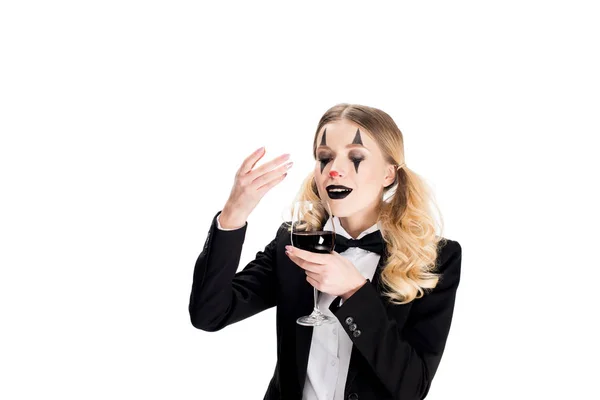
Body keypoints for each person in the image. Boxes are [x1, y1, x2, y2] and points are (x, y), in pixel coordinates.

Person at [189, 103, 462, 400]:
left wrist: (355, 291)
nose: (334, 169)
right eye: (324, 157)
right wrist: (232, 215)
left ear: (388, 174)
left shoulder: (435, 258)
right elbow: (209, 315)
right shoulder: (292, 242)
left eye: (355, 156)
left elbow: (412, 388)